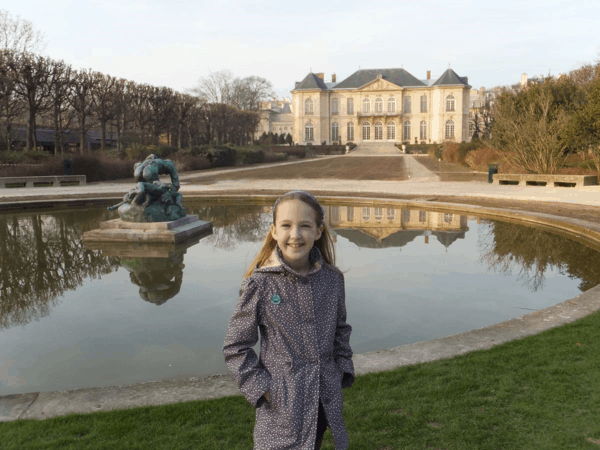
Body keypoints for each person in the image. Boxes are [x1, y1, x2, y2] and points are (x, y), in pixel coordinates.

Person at [223, 191, 355, 449]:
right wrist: (263, 388)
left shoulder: (332, 280)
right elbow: (235, 346)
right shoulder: (260, 285)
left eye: (305, 226)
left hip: (321, 400)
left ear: (318, 231)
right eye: (286, 225)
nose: (295, 235)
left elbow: (341, 329)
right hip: (280, 409)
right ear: (274, 231)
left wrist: (341, 369)